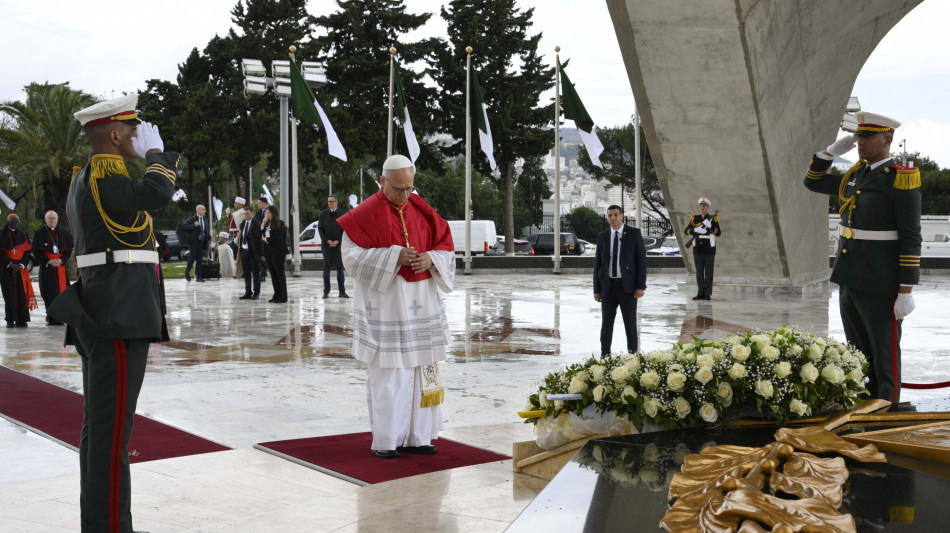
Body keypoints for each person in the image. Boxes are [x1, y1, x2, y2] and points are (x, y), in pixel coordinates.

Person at [47, 93, 177, 532]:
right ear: (116, 135)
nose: (141, 137)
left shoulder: (92, 177)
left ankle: (105, 523)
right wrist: (158, 156)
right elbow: (157, 192)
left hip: (109, 308)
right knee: (110, 433)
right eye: (135, 131)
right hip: (116, 314)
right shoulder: (105, 176)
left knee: (103, 428)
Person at [338, 154, 455, 459]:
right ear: (382, 181)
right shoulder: (364, 214)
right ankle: (387, 440)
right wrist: (392, 257)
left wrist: (431, 259)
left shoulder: (422, 208)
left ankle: (421, 436)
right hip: (388, 302)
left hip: (423, 301)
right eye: (399, 189)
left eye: (409, 188)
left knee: (424, 370)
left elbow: (445, 244)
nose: (406, 195)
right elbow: (350, 258)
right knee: (390, 373)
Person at [803, 112, 921, 403]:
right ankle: (865, 406)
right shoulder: (855, 175)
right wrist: (828, 154)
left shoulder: (900, 179)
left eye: (868, 136)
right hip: (850, 277)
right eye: (858, 136)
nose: (860, 142)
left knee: (884, 353)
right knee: (858, 353)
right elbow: (813, 182)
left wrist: (906, 289)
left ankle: (886, 410)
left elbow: (910, 237)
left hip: (882, 283)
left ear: (887, 139)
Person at [593, 205, 647, 356]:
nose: (613, 218)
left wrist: (640, 286)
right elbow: (597, 264)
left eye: (616, 215)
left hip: (628, 288)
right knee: (606, 326)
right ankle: (605, 356)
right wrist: (596, 290)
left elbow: (641, 262)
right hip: (608, 288)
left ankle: (633, 356)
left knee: (630, 325)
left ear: (622, 216)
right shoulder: (602, 236)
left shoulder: (633, 234)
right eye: (610, 215)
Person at [32, 210, 75, 325]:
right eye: (50, 218)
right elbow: (36, 252)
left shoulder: (64, 233)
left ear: (57, 219)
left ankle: (62, 317)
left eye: (54, 218)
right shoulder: (39, 233)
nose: (52, 220)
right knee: (48, 293)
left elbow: (68, 251)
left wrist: (62, 260)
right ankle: (51, 318)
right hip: (47, 269)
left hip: (60, 267)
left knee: (63, 293)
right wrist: (48, 261)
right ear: (46, 220)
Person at [0, 213, 37, 327]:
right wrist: (10, 264)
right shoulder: (1, 234)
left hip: (20, 269)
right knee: (9, 294)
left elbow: (28, 252)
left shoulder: (23, 234)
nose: (16, 224)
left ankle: (22, 319)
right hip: (6, 269)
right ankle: (10, 320)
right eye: (13, 221)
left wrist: (21, 264)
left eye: (17, 222)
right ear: (8, 222)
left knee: (22, 293)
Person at [685, 197, 722, 300]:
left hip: (709, 248)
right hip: (698, 249)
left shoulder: (713, 218)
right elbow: (686, 231)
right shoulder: (694, 218)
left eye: (704, 206)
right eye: (701, 206)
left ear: (708, 207)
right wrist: (694, 231)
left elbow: (718, 233)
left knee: (709, 272)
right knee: (699, 272)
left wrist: (710, 229)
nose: (702, 207)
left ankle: (706, 294)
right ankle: (700, 293)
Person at [319, 194, 348, 298]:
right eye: (328, 201)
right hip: (326, 245)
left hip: (339, 245)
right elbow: (320, 229)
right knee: (327, 267)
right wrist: (327, 240)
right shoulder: (323, 215)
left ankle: (342, 292)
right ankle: (326, 292)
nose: (329, 203)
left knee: (340, 268)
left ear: (336, 202)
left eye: (331, 201)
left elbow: (345, 229)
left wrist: (338, 241)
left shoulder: (343, 214)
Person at [262, 205, 287, 303]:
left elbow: (277, 238)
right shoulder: (267, 223)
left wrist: (266, 239)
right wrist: (263, 224)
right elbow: (261, 234)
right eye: (266, 213)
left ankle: (283, 296)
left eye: (269, 213)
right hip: (269, 251)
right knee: (273, 274)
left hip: (278, 252)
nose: (267, 215)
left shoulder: (280, 223)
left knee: (279, 274)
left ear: (273, 213)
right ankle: (276, 295)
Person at [238, 206, 263, 300]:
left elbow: (257, 236)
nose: (245, 215)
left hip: (253, 252)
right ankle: (248, 292)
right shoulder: (243, 223)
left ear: (252, 214)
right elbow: (242, 234)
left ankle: (256, 293)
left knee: (255, 273)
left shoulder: (256, 223)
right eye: (244, 213)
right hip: (244, 251)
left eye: (247, 213)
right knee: (246, 273)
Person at [181, 205, 209, 282]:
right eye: (203, 209)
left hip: (201, 242)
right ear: (198, 210)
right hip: (193, 242)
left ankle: (198, 276)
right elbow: (184, 226)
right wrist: (193, 225)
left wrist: (209, 237)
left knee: (199, 259)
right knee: (192, 258)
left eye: (205, 209)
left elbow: (205, 230)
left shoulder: (204, 219)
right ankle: (187, 272)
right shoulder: (193, 219)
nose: (205, 211)